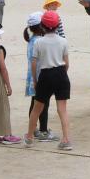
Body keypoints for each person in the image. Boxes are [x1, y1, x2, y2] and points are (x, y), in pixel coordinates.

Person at [24, 10, 73, 150]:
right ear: (57, 26)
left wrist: (35, 80)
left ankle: (30, 137)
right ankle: (66, 139)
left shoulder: (39, 42)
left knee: (37, 108)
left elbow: (34, 63)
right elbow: (67, 63)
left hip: (45, 75)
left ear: (43, 26)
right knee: (62, 109)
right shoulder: (63, 41)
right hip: (61, 74)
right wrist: (63, 74)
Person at [24, 12, 58, 142]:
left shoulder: (32, 39)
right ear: (41, 26)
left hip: (33, 76)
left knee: (34, 103)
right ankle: (43, 131)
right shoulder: (40, 41)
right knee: (43, 104)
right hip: (40, 76)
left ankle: (33, 129)